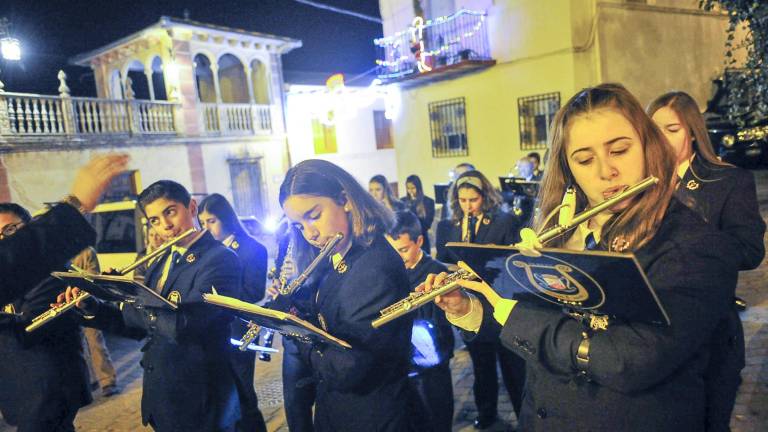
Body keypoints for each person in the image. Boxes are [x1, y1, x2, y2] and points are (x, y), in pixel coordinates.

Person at [427, 83, 741, 431]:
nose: (606, 171)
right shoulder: (558, 231)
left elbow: (631, 361)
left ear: (648, 148)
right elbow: (533, 332)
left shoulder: (696, 245)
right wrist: (471, 309)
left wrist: (512, 313)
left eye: (619, 150)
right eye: (585, 159)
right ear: (568, 168)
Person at [62, 180, 243, 432]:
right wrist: (92, 306)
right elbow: (137, 327)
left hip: (202, 400)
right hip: (163, 397)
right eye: (155, 220)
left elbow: (183, 326)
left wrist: (133, 294)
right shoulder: (161, 261)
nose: (166, 227)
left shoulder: (220, 260)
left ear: (191, 207)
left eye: (170, 212)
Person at [648, 91, 766, 431]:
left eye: (671, 129)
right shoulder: (640, 185)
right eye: (654, 131)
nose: (662, 139)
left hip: (710, 330)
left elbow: (749, 250)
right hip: (653, 334)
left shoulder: (728, 180)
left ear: (693, 131)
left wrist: (687, 218)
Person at [280, 159, 413, 431]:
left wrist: (295, 329)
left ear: (345, 200)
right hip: (341, 413)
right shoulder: (336, 256)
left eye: (314, 216)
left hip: (373, 417)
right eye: (299, 225)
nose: (310, 233)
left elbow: (346, 369)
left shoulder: (374, 267)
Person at [434, 169, 524, 430]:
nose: (468, 206)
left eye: (473, 200)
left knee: (512, 364)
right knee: (481, 364)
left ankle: (524, 415)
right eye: (462, 200)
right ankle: (486, 415)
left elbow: (514, 261)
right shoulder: (447, 224)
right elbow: (443, 259)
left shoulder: (503, 221)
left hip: (499, 298)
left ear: (484, 197)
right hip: (470, 302)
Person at [0, 204, 92, 432]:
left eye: (10, 230)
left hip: (50, 389)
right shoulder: (14, 276)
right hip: (28, 387)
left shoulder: (49, 274)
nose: (4, 240)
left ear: (30, 229)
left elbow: (28, 331)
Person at [0, 154, 129, 305]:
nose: (3, 239)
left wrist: (96, 296)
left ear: (29, 225)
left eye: (9, 230)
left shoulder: (53, 270)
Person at [198, 193, 268, 432]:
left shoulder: (252, 249)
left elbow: (255, 291)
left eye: (212, 221)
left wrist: (221, 297)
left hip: (240, 328)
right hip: (211, 329)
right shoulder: (206, 251)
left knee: (242, 390)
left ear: (226, 218)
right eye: (203, 222)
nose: (206, 228)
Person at [386, 211, 454, 432]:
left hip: (431, 364)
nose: (398, 257)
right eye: (392, 251)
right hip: (402, 364)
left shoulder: (436, 272)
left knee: (436, 420)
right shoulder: (390, 271)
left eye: (404, 250)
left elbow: (441, 324)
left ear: (420, 241)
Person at [73, 247, 120, 397]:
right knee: (75, 346)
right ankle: (89, 380)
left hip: (87, 303)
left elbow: (94, 276)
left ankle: (107, 381)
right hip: (68, 305)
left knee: (95, 341)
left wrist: (74, 282)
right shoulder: (56, 252)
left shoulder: (87, 251)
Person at [400, 175, 436, 253]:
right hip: (407, 240)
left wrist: (413, 209)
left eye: (413, 188)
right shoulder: (402, 201)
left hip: (422, 239)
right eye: (408, 188)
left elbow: (428, 223)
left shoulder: (428, 201)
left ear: (418, 188)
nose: (410, 191)